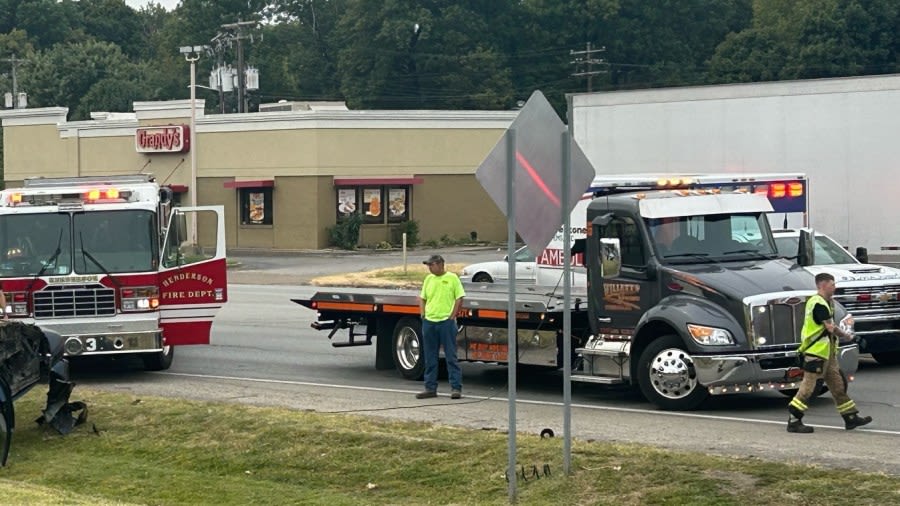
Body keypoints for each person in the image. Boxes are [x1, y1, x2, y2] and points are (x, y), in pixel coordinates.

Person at [787, 272, 872, 433]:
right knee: (808, 388)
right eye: (832, 284)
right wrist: (850, 336)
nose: (835, 287)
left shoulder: (828, 302)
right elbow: (830, 328)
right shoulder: (818, 303)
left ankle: (851, 417)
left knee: (838, 386)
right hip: (816, 353)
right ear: (823, 285)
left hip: (827, 354)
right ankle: (794, 420)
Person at [416, 254, 465, 399]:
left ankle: (456, 387)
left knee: (451, 356)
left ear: (440, 264)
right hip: (430, 322)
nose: (429, 268)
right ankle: (430, 387)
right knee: (430, 357)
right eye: (428, 265)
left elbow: (459, 298)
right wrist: (423, 314)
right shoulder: (428, 279)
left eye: (431, 265)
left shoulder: (452, 278)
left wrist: (451, 317)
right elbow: (422, 298)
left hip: (445, 322)